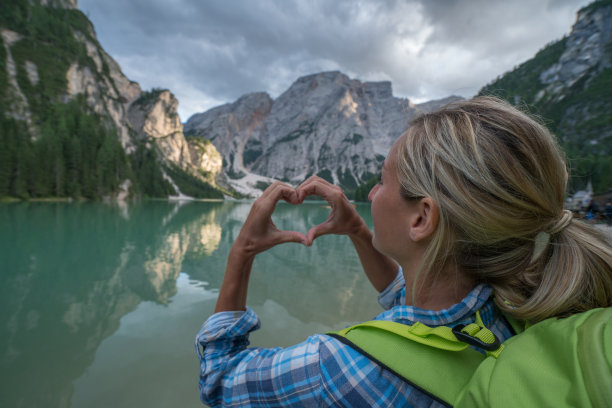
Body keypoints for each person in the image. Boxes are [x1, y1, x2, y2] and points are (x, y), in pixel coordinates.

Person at [195, 97, 612, 407]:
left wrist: (243, 250)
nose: (371, 194)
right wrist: (358, 229)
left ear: (421, 219)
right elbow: (412, 298)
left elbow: (218, 380)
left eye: (382, 181)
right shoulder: (512, 304)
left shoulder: (338, 367)